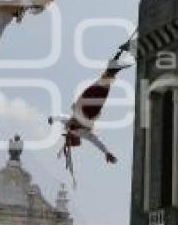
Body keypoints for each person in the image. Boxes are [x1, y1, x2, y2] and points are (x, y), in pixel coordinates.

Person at [47, 45, 133, 179]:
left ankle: (114, 64)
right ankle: (114, 66)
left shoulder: (70, 126)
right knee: (104, 87)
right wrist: (106, 152)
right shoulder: (83, 133)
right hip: (91, 110)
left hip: (83, 104)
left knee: (100, 85)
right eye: (74, 140)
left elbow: (62, 117)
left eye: (73, 140)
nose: (75, 139)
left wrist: (52, 118)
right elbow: (96, 141)